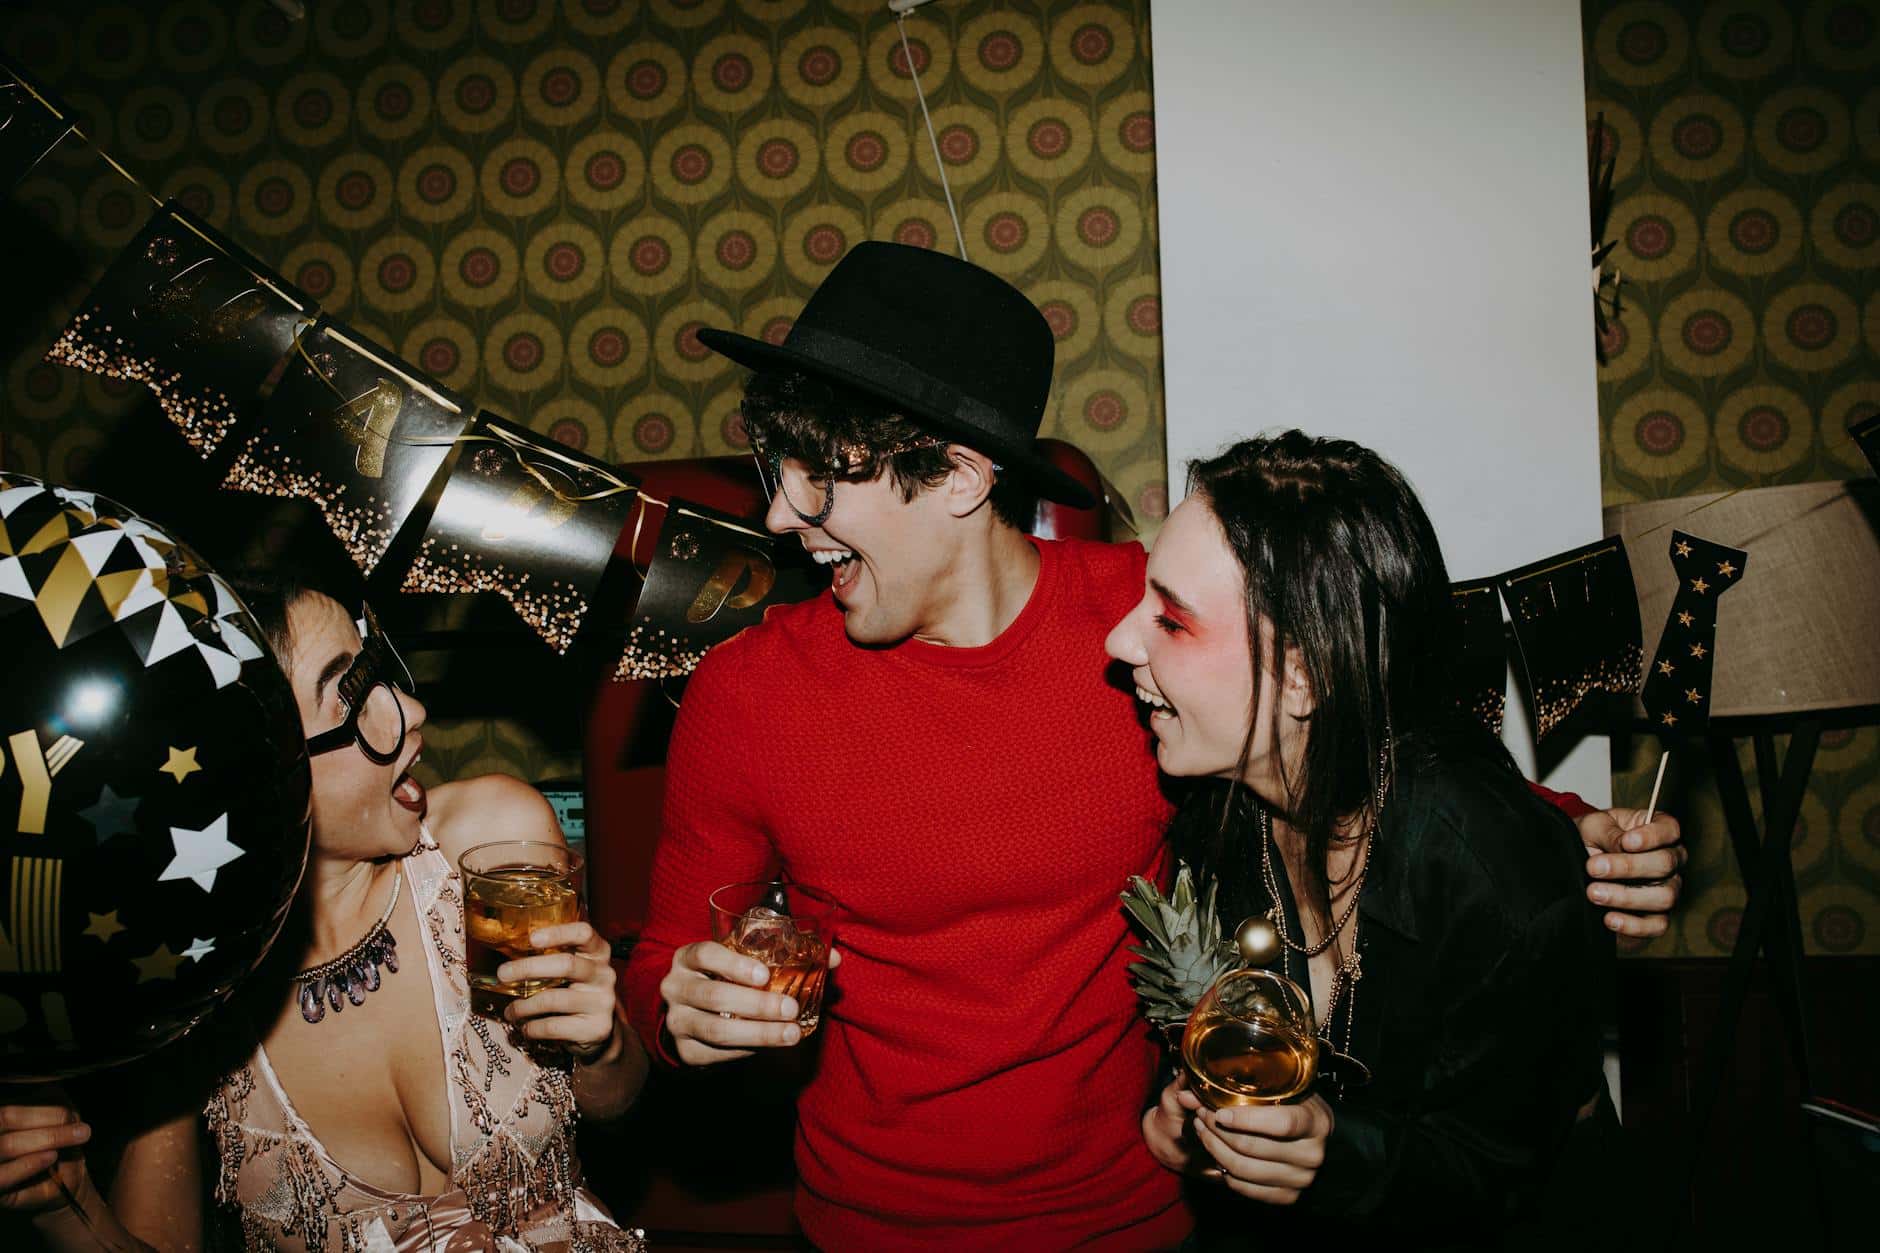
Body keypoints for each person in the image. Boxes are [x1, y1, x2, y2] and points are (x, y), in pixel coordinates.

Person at [620, 242, 1684, 1248]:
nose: (776, 514)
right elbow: (663, 961)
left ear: (955, 475)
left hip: (1141, 1214)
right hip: (865, 1223)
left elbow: (1347, 736)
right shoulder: (746, 690)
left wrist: (1570, 834)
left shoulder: (1151, 625)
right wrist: (678, 1008)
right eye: (778, 469)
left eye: (818, 476)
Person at [3, 574, 648, 1251]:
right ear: (254, 765)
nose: (410, 709)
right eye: (347, 694)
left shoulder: (488, 845)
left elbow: (620, 1099)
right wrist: (66, 1204)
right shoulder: (196, 993)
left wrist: (604, 1045)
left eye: (377, 669)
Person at [1122, 433, 1631, 1246]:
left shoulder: (1495, 874)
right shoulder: (1213, 816)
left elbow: (1505, 1173)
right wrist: (1180, 1113)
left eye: (1171, 620)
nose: (1120, 640)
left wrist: (1338, 1153)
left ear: (1304, 676)